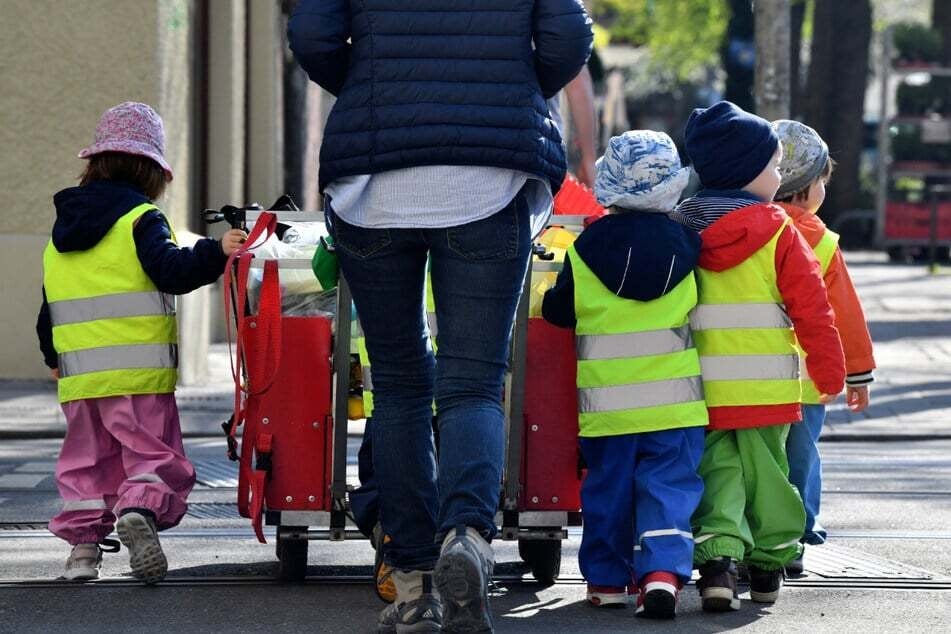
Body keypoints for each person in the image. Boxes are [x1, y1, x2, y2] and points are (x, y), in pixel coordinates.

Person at [288, 2, 593, 632]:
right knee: (474, 382)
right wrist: (514, 87)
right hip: (492, 178)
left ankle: (415, 580)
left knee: (398, 385)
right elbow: (568, 35)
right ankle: (468, 539)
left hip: (371, 183)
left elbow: (312, 32)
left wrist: (370, 83)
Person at [36, 102, 247, 583]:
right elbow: (170, 271)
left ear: (95, 163)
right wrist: (218, 251)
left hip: (79, 377)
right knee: (151, 456)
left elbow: (49, 302)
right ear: (152, 171)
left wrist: (53, 356)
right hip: (138, 374)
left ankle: (82, 555)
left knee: (86, 465)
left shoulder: (62, 231)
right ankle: (139, 510)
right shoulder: (141, 218)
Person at [672, 101, 846, 610]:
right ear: (750, 174)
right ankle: (769, 565)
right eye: (773, 166)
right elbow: (813, 309)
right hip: (768, 392)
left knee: (718, 479)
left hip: (700, 392)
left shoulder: (683, 229)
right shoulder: (780, 233)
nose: (779, 175)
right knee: (769, 477)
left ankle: (719, 567)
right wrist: (829, 369)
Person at [542, 131, 708, 619]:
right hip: (675, 404)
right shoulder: (689, 247)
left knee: (608, 492)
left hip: (608, 409)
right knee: (669, 488)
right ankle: (662, 572)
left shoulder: (584, 249)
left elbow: (559, 312)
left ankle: (608, 580)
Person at [771, 120, 875, 574]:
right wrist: (858, 373)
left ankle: (760, 526)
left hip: (750, 375)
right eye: (822, 183)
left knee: (761, 455)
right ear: (807, 189)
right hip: (810, 379)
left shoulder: (749, 230)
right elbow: (844, 315)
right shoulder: (823, 242)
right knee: (802, 454)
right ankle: (802, 524)